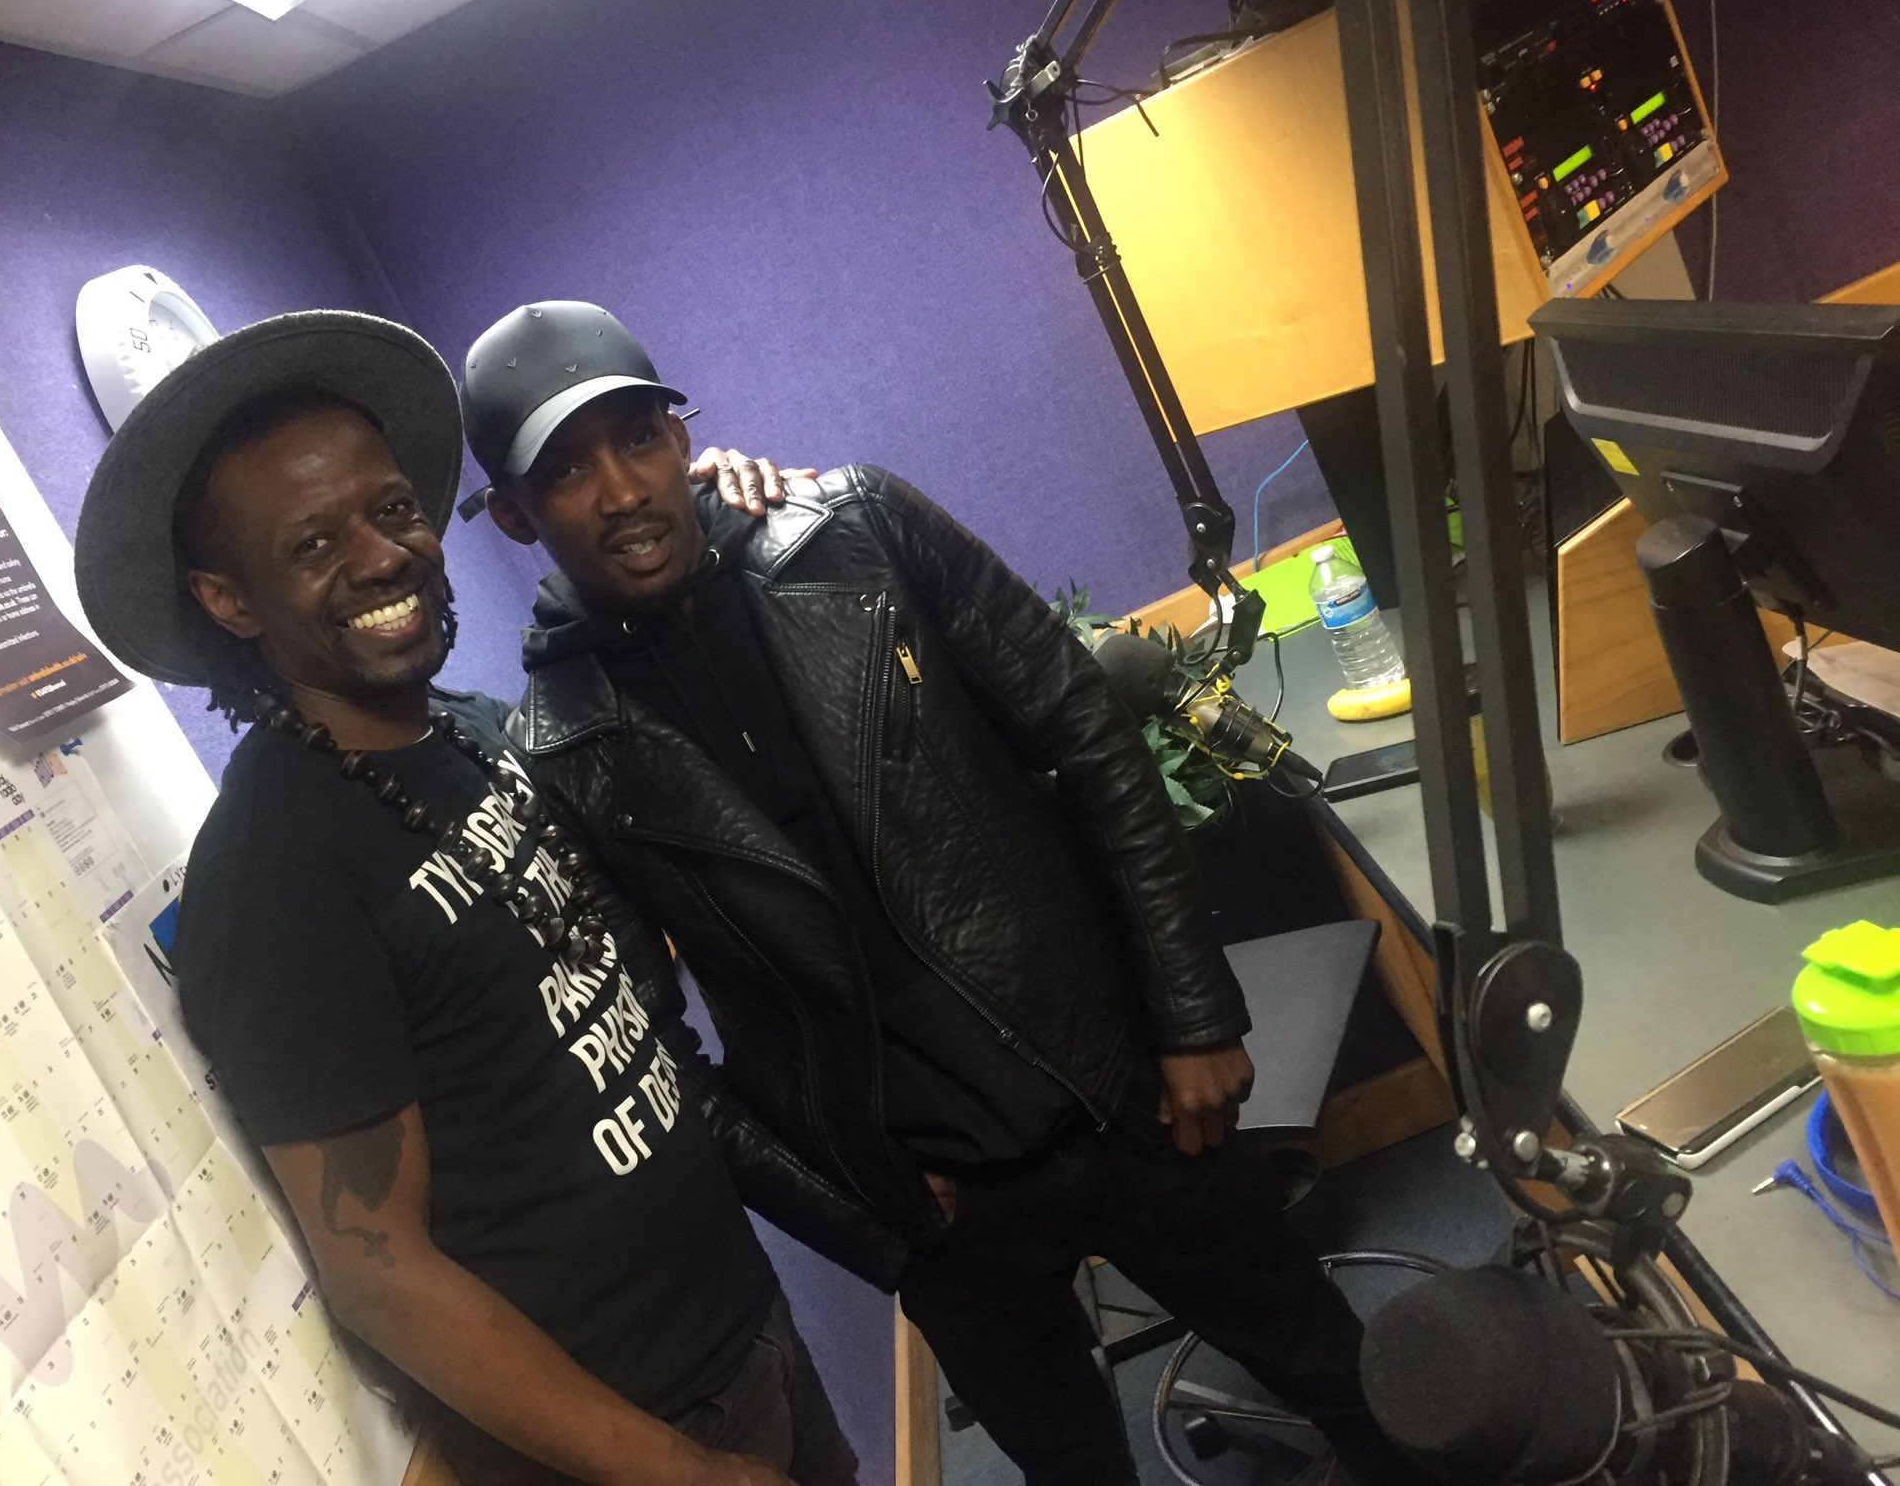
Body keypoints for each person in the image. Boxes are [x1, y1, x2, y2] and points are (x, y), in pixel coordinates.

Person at [462, 300, 1429, 1486]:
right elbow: (655, 1053)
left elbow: (1085, 730)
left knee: (1333, 1370)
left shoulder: (855, 531)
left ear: (679, 436)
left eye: (635, 439)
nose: (620, 491)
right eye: (566, 471)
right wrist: (861, 1220)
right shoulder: (562, 752)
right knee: (1074, 1471)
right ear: (515, 515)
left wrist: (1190, 1013)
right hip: (938, 1211)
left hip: (1118, 1087)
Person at [72, 310, 857, 1486]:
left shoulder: (476, 731)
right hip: (634, 1440)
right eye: (313, 543)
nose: (382, 555)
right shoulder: (274, 876)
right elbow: (376, 1273)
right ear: (230, 600)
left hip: (745, 1335)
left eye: (391, 510)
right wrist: (676, 1472)